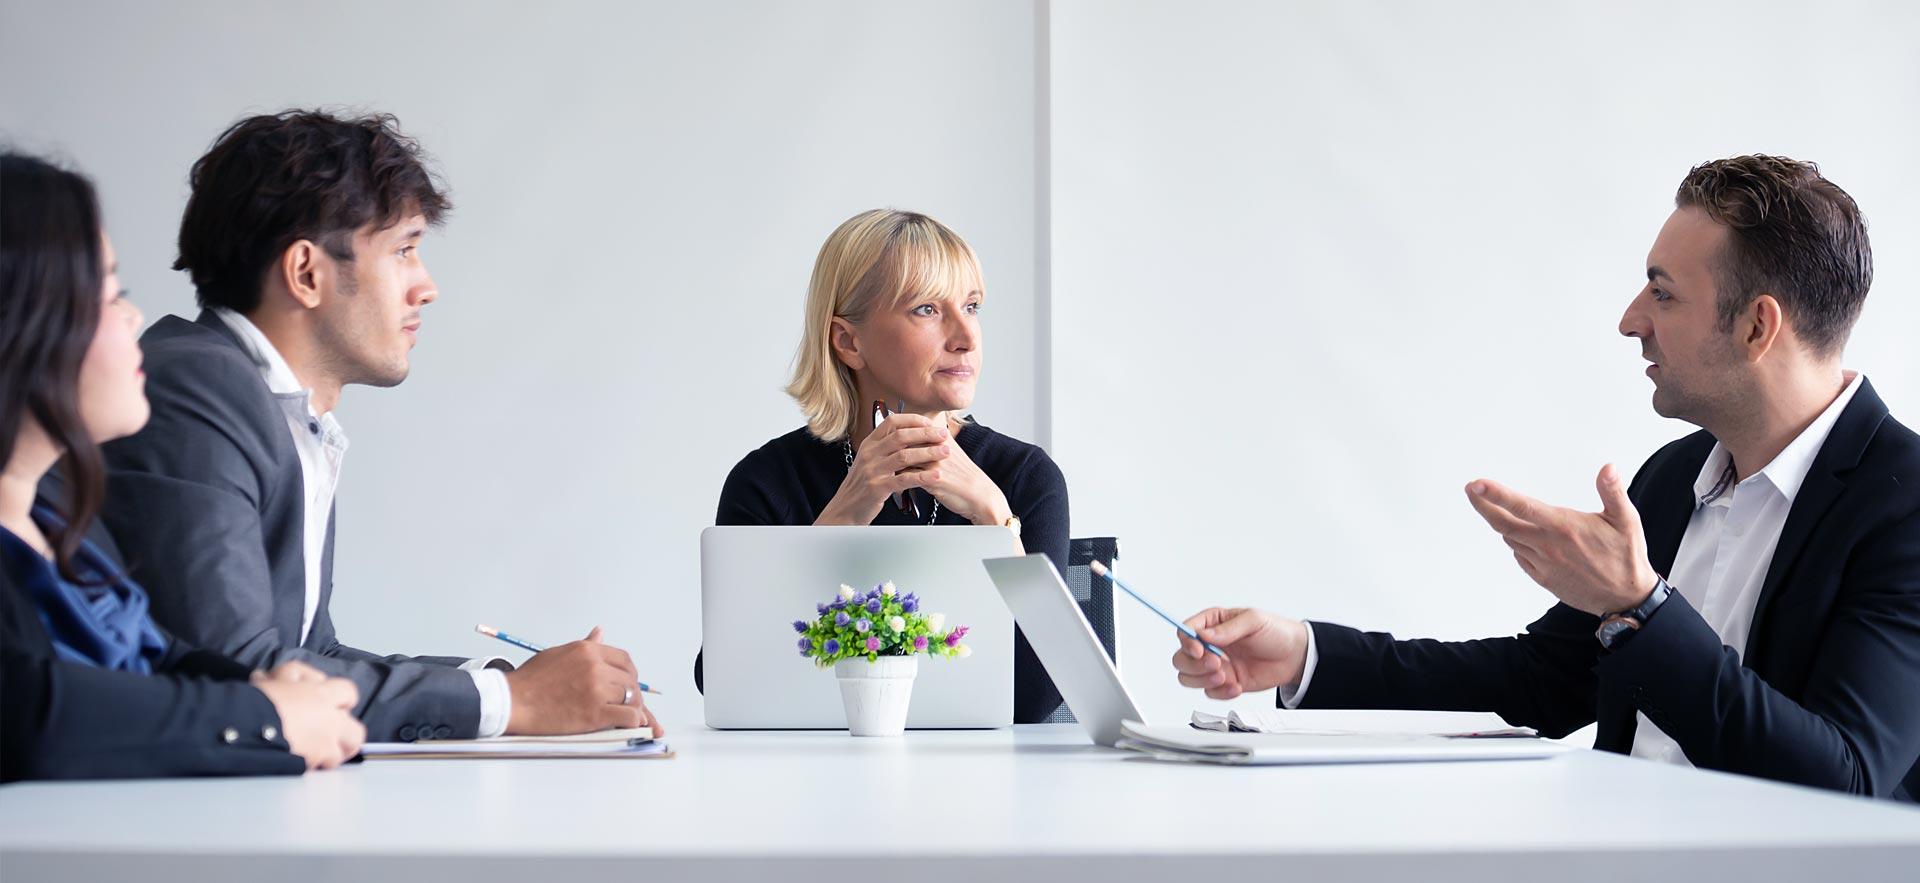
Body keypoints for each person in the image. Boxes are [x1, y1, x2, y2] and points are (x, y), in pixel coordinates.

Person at [1169, 156, 1920, 801]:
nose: (1632, 321)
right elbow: (1539, 681)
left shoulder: (1904, 502)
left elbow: (1845, 779)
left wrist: (1640, 604)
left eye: (1662, 293)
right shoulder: (1676, 478)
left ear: (1758, 326)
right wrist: (1306, 653)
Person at [97, 110, 659, 742]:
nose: (427, 287)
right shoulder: (198, 389)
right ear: (307, 273)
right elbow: (243, 678)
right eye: (404, 250)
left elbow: (315, 657)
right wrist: (507, 701)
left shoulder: (276, 406)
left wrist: (507, 678)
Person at [1, 150, 365, 780]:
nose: (135, 318)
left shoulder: (61, 519)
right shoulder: (203, 383)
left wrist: (285, 691)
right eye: (109, 293)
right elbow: (34, 713)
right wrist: (264, 716)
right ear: (25, 320)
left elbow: (158, 655)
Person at [704, 208, 1067, 722]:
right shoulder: (765, 480)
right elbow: (729, 685)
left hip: (979, 784)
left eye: (972, 306)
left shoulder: (1024, 477)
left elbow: (1036, 698)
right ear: (848, 342)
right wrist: (843, 516)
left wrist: (995, 520)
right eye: (926, 309)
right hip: (809, 779)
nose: (966, 335)